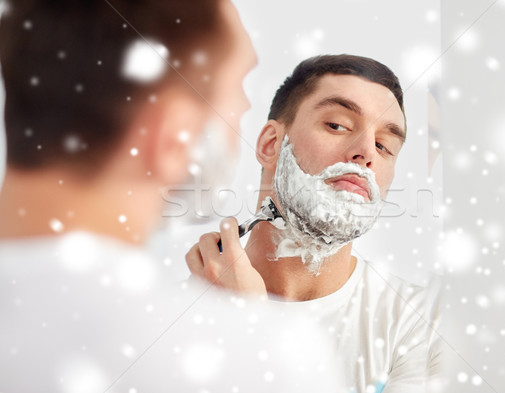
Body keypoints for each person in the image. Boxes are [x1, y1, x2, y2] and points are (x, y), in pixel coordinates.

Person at [0, 1, 341, 391]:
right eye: (237, 88)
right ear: (172, 135)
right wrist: (250, 330)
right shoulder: (265, 357)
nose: (247, 108)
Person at [187, 54, 442, 392]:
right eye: (337, 125)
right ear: (270, 144)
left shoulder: (422, 323)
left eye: (383, 145)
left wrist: (254, 326)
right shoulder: (176, 319)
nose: (365, 152)